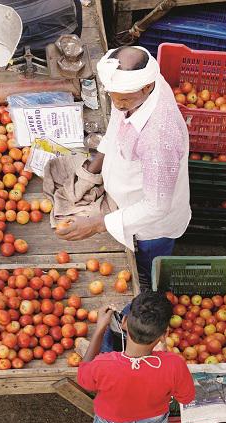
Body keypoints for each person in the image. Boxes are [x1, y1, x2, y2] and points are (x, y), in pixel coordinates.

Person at [56, 46, 191, 289]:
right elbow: (118, 124)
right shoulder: (137, 87)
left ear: (147, 87)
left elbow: (156, 206)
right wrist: (93, 168)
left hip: (151, 227)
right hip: (127, 198)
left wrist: (99, 223)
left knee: (148, 270)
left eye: (124, 99)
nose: (117, 104)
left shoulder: (159, 138)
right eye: (113, 96)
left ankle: (153, 289)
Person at [77, 292, 195, 423]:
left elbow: (83, 379)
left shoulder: (103, 364)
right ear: (164, 334)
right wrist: (164, 352)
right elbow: (186, 398)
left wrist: (100, 328)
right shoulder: (174, 364)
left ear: (124, 322)